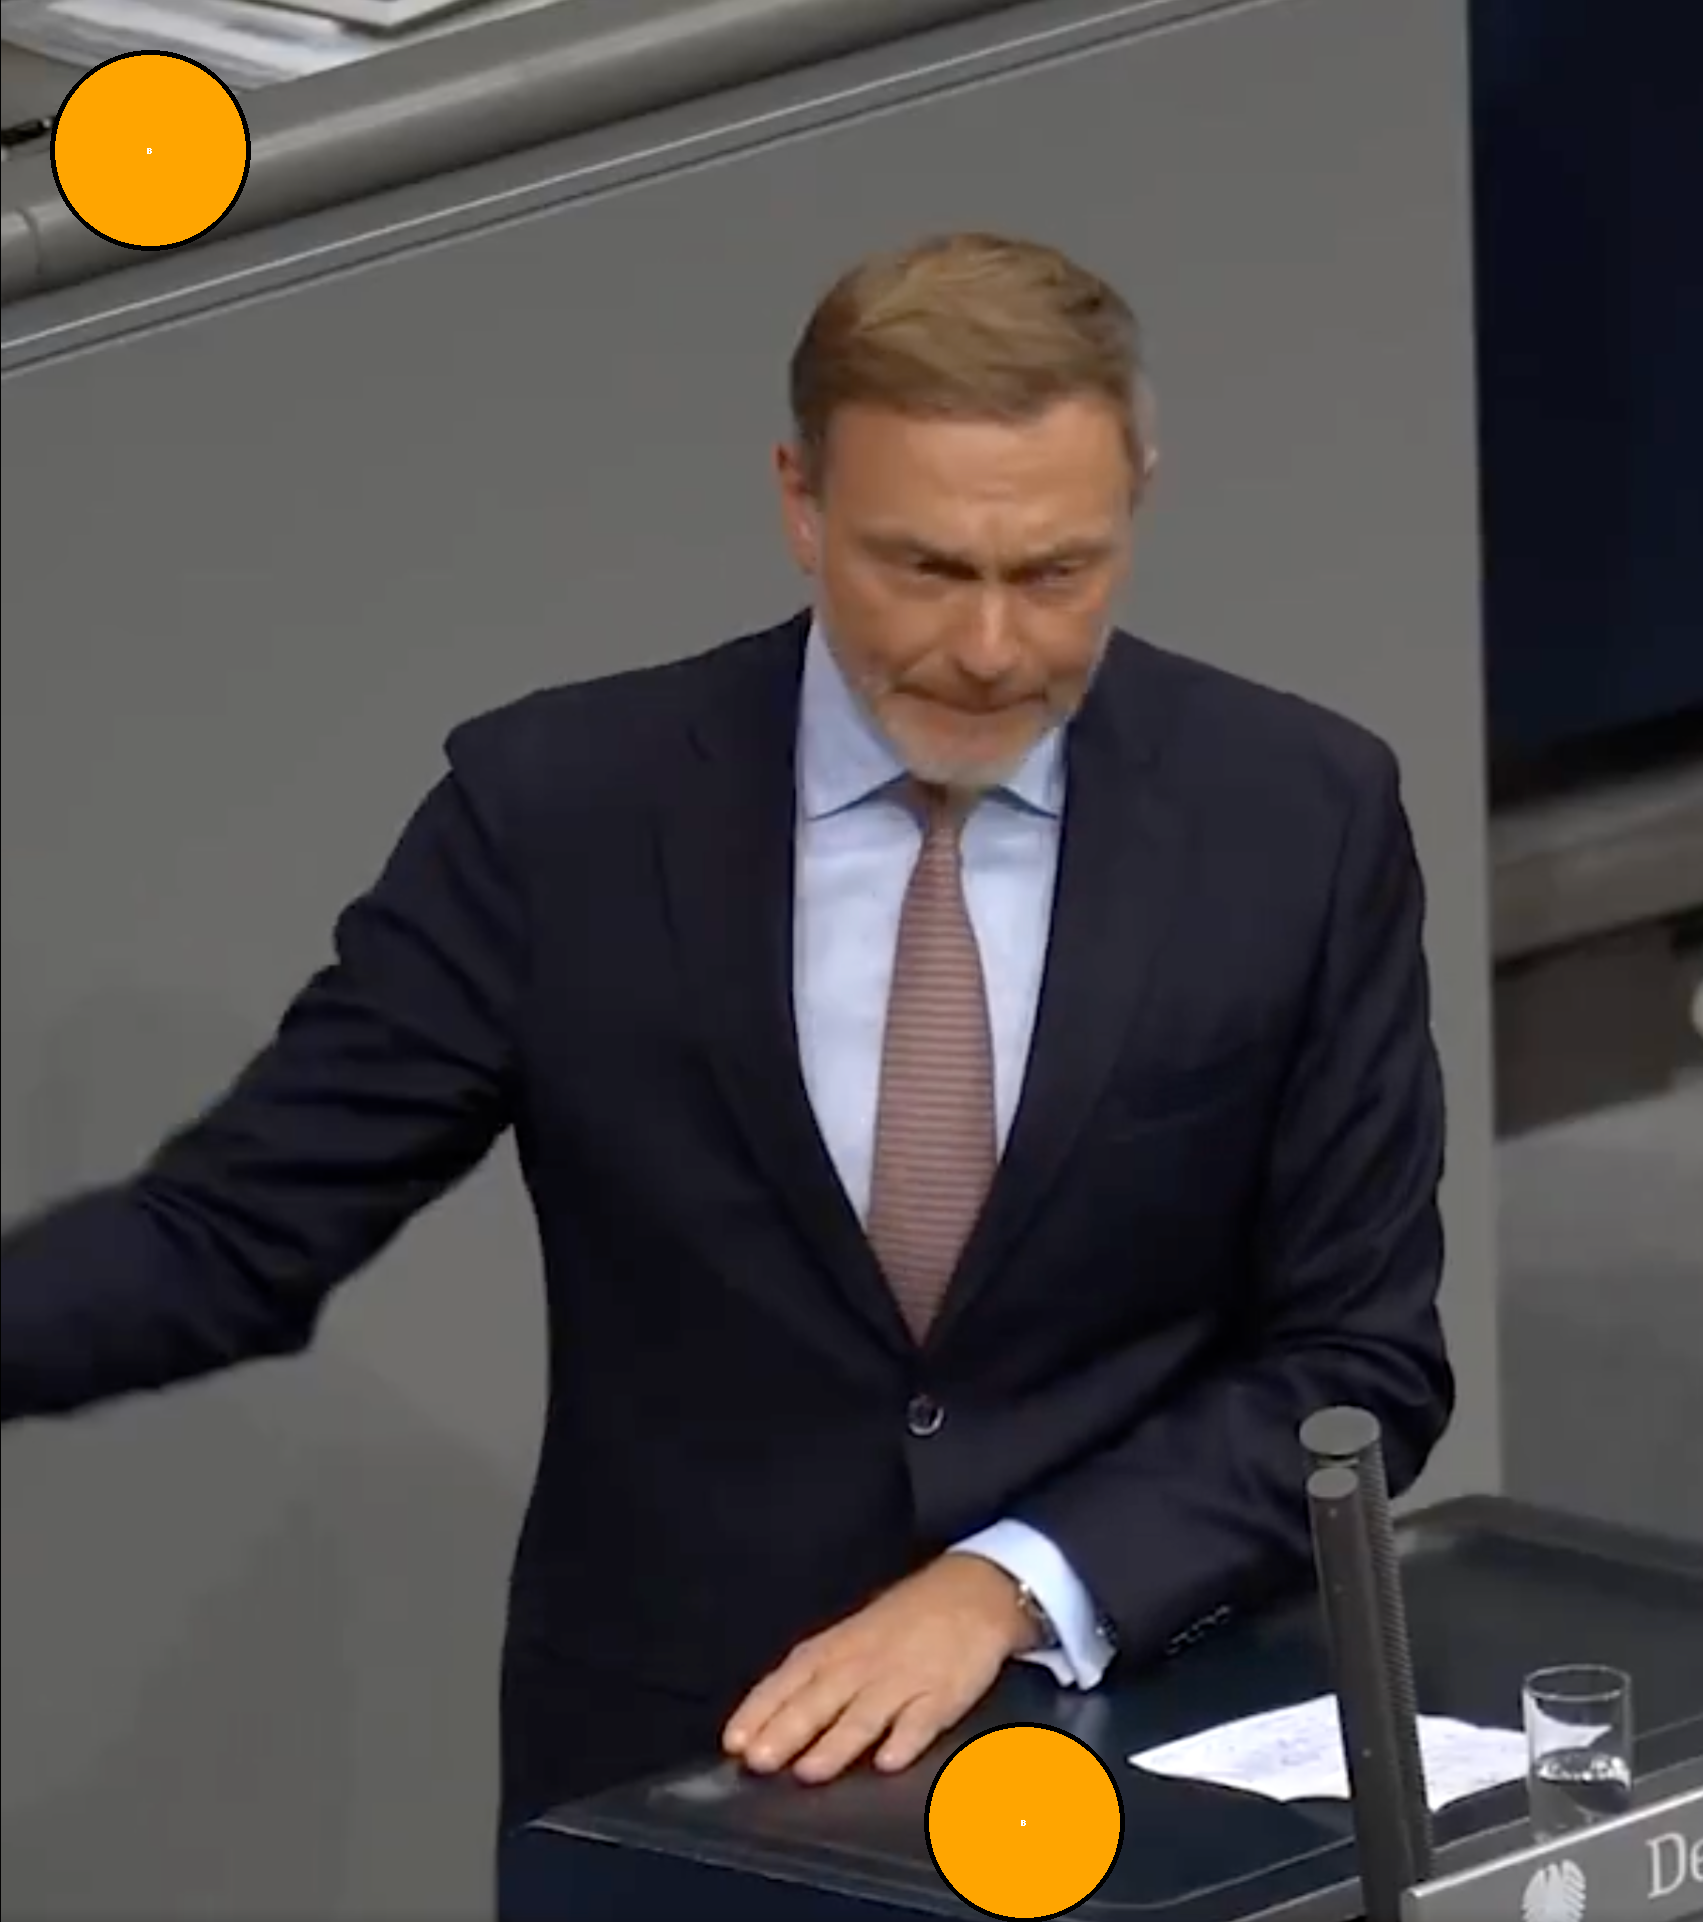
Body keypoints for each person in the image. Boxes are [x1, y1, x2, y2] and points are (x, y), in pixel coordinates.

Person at [0, 231, 1453, 1838]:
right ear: (801, 504)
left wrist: (1006, 1585)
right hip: (679, 1779)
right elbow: (229, 1233)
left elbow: (1357, 1359)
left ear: (1139, 501)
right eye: (924, 568)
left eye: (1055, 573)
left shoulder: (1296, 817)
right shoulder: (559, 820)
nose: (990, 646)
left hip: (1141, 1744)